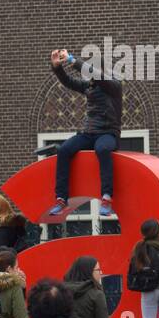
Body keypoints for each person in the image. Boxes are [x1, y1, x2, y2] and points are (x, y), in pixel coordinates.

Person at [46, 48, 124, 218]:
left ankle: (106, 197)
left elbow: (94, 75)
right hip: (89, 133)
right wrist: (57, 67)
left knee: (102, 149)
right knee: (65, 150)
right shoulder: (89, 86)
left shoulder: (113, 85)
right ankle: (61, 198)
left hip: (108, 133)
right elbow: (68, 82)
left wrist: (72, 59)